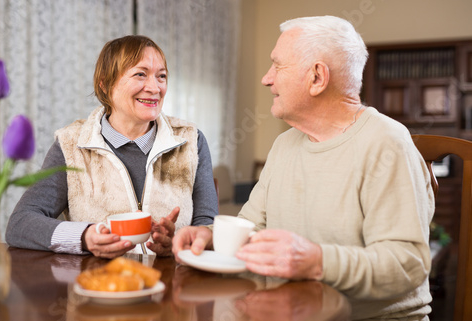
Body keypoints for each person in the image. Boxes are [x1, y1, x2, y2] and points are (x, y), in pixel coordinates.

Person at [172, 16, 435, 319]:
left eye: (278, 66)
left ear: (317, 78)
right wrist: (209, 237)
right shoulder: (285, 145)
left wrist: (317, 261)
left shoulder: (387, 142)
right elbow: (252, 227)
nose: (266, 78)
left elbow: (407, 264)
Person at [6, 35, 218, 258]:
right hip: (100, 285)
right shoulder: (70, 144)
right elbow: (21, 223)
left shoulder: (190, 140)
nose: (155, 88)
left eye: (161, 76)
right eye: (140, 74)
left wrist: (176, 242)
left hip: (172, 285)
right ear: (105, 84)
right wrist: (85, 237)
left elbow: (208, 225)